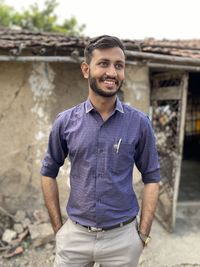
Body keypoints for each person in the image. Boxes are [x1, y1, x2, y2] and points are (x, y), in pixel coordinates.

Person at [41, 35, 160, 267]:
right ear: (86, 69)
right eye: (103, 63)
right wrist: (59, 229)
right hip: (75, 237)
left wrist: (142, 235)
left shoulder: (139, 123)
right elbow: (48, 173)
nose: (112, 73)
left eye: (119, 65)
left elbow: (152, 178)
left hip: (122, 240)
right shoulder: (65, 122)